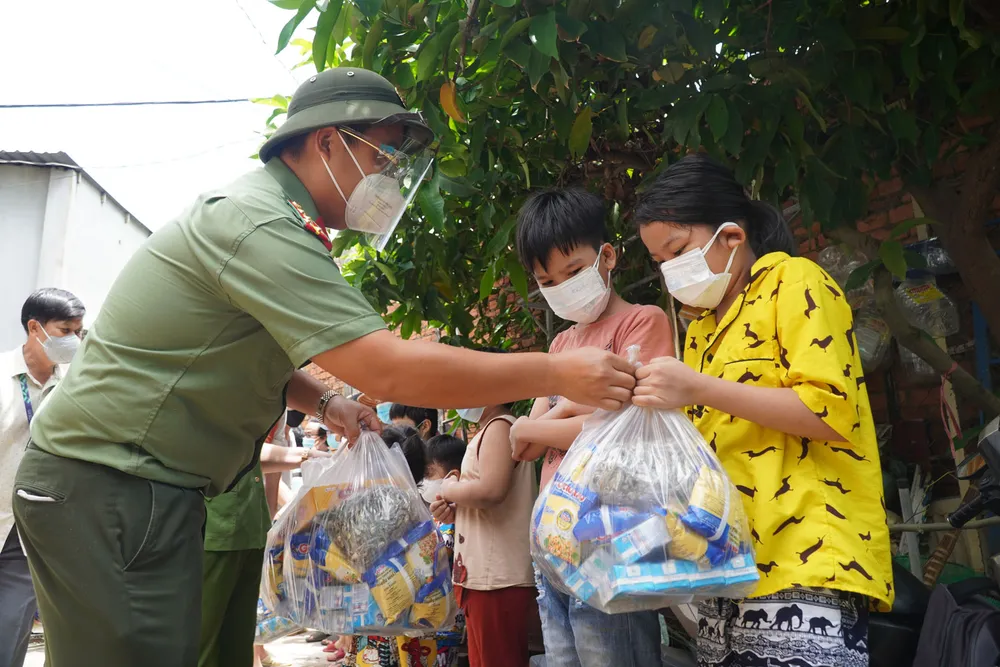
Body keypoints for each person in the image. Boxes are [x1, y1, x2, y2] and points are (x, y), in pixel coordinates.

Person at [11, 67, 635, 667]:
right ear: (329, 143)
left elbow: (239, 354)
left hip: (143, 483)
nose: (389, 179)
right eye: (383, 157)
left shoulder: (280, 224)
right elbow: (387, 367)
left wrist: (326, 404)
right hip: (109, 480)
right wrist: (553, 373)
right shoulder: (256, 221)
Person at [630, 154, 892, 667]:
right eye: (658, 262)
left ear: (731, 236)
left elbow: (829, 412)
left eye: (677, 251)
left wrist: (698, 387)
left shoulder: (795, 282)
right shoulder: (701, 325)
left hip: (805, 561)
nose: (668, 272)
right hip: (725, 570)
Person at [509, 188, 673, 667]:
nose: (561, 286)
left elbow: (624, 431)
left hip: (612, 538)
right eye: (547, 280)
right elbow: (521, 447)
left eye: (573, 271)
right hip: (553, 542)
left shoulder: (643, 322)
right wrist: (574, 414)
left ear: (607, 255)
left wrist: (545, 420)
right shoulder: (560, 343)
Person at [430, 362, 537, 667]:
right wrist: (455, 512)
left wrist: (449, 487)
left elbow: (491, 491)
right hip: (484, 577)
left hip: (497, 579)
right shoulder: (490, 430)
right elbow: (486, 496)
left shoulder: (500, 426)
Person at [199, 414, 327, 667]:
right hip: (217, 528)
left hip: (249, 526)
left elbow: (255, 460)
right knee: (206, 637)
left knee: (238, 636)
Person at [0, 289, 84, 667]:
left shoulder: (75, 385)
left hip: (29, 529)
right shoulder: (3, 378)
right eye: (66, 330)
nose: (74, 341)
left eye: (80, 332)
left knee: (9, 632)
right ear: (35, 328)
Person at [342, 425, 427, 666]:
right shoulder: (422, 508)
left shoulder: (366, 508)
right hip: (419, 623)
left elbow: (350, 569)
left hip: (374, 621)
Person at [419, 434, 468, 667]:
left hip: (447, 619)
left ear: (453, 476)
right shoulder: (436, 514)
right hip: (426, 616)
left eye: (429, 474)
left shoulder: (460, 516)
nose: (424, 481)